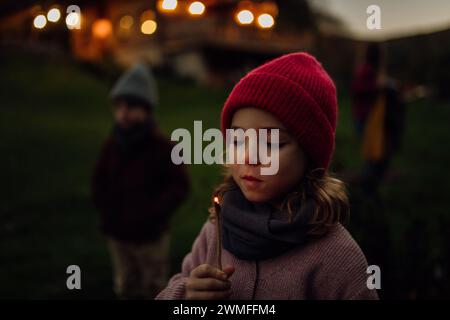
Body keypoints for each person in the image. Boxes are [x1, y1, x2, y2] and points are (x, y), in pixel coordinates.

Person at [156, 53, 378, 300]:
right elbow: (179, 283)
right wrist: (187, 294)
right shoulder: (216, 229)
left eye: (271, 143)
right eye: (238, 141)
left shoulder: (336, 257)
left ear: (310, 154)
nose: (250, 157)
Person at [92, 62, 190, 299]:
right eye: (119, 105)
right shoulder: (112, 145)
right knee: (126, 283)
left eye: (131, 105)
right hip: (118, 233)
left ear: (146, 109)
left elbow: (179, 186)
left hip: (150, 236)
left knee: (153, 286)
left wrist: (152, 213)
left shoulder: (163, 148)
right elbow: (99, 180)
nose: (123, 112)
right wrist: (108, 210)